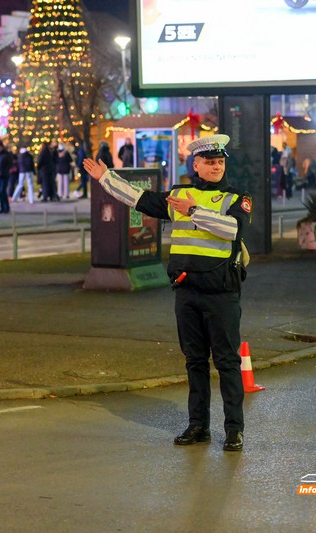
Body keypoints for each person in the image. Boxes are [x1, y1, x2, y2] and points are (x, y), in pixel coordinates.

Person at [83, 134, 251, 452]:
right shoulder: (179, 195)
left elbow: (233, 229)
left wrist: (193, 212)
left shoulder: (235, 197)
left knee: (228, 362)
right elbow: (140, 199)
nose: (216, 167)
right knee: (195, 362)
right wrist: (105, 178)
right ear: (196, 165)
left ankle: (234, 430)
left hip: (221, 293)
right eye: (210, 162)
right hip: (187, 292)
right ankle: (198, 425)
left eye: (220, 162)